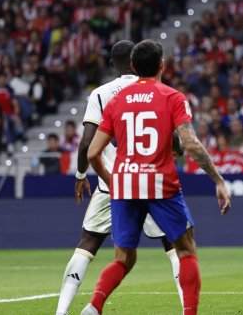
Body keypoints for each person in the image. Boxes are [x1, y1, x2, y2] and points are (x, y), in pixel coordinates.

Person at [80, 40, 231, 315]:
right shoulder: (172, 97)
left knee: (123, 258)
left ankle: (94, 306)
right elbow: (191, 144)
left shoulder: (116, 102)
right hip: (160, 182)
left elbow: (92, 152)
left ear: (134, 67)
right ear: (162, 65)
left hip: (124, 183)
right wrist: (218, 180)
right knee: (185, 249)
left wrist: (111, 179)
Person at [55, 41, 184, 315]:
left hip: (113, 182)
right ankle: (188, 308)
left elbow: (87, 144)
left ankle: (62, 311)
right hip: (151, 181)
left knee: (87, 244)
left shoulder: (101, 94)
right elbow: (175, 141)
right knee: (174, 246)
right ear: (137, 63)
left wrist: (81, 175)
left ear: (113, 64)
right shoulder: (154, 91)